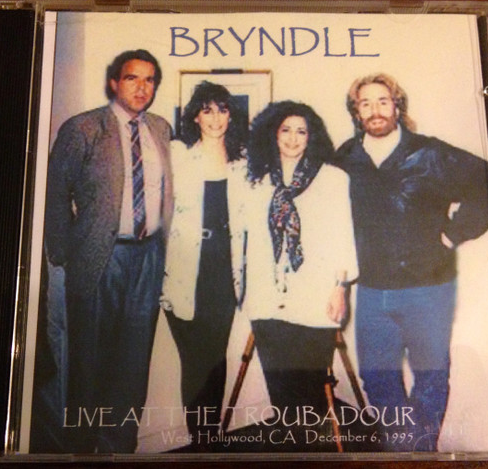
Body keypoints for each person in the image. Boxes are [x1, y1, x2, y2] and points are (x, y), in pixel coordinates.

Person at [332, 73, 488, 451]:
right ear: (356, 112)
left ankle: (418, 454)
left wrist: (454, 233)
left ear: (397, 106)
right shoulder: (346, 158)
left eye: (383, 101)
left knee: (430, 379)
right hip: (371, 290)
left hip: (428, 287)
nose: (375, 110)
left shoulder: (429, 153)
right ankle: (405, 451)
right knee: (378, 380)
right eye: (365, 103)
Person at [44, 49, 173, 453]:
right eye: (133, 78)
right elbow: (55, 194)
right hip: (100, 258)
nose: (142, 87)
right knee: (90, 361)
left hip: (148, 257)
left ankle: (121, 446)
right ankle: (82, 449)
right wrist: (65, 254)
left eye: (150, 80)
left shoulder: (161, 128)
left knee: (134, 361)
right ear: (114, 82)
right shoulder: (83, 128)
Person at [243, 101, 357, 444]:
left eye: (301, 131)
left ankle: (311, 452)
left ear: (312, 137)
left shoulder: (333, 178)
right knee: (281, 392)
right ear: (273, 134)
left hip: (315, 298)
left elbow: (343, 237)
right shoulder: (257, 181)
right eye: (286, 130)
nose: (293, 139)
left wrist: (340, 288)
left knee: (309, 393)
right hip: (267, 298)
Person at [160, 81, 247, 445]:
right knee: (195, 361)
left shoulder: (243, 161)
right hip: (184, 271)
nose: (215, 118)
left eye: (222, 110)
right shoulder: (177, 155)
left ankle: (211, 438)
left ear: (231, 115)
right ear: (195, 116)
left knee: (216, 358)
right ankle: (201, 440)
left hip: (223, 270)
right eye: (207, 110)